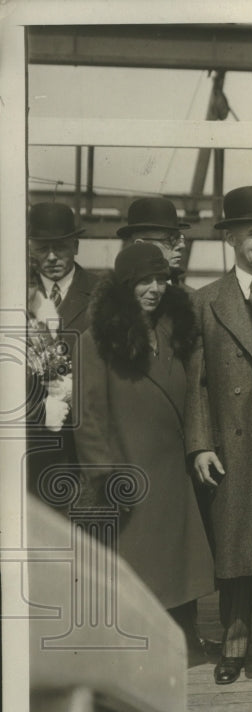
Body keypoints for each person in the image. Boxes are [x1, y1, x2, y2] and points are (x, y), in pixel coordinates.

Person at [74, 241, 215, 660]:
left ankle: (185, 639)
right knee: (138, 565)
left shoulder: (174, 331)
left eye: (161, 279)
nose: (154, 288)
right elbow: (86, 414)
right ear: (124, 285)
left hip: (172, 468)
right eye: (143, 281)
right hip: (128, 471)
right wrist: (104, 475)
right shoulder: (96, 339)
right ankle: (137, 648)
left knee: (178, 562)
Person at [184, 185, 252, 685]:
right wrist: (201, 444)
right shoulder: (207, 301)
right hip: (234, 442)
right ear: (230, 238)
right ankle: (235, 639)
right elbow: (200, 382)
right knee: (236, 544)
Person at [25, 203, 97, 507]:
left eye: (61, 247)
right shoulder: (14, 292)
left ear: (76, 246)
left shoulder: (103, 293)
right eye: (43, 248)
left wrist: (76, 390)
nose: (52, 257)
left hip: (86, 448)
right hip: (32, 447)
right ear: (30, 248)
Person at [116, 196, 195, 292]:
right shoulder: (114, 301)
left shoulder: (195, 301)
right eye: (170, 240)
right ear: (141, 246)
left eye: (179, 238)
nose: (181, 246)